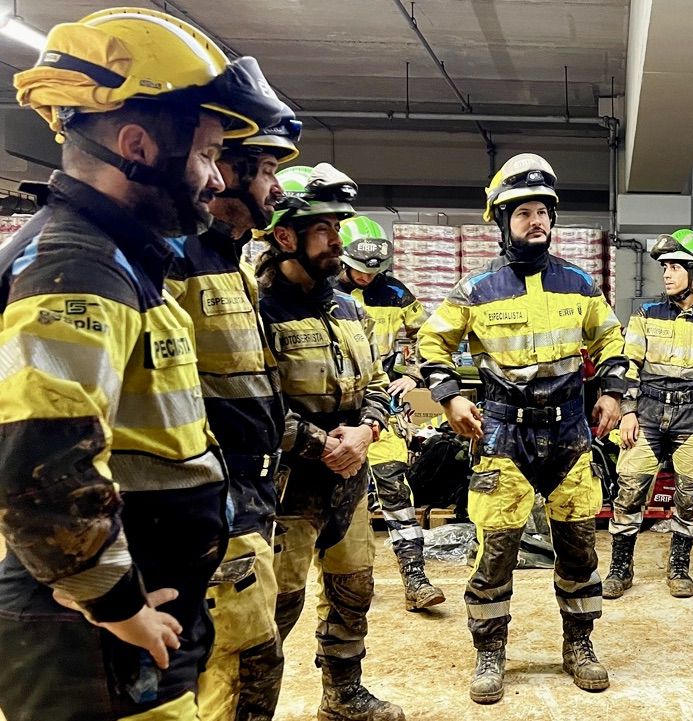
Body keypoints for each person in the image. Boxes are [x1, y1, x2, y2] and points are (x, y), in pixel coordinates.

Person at [0, 7, 285, 721]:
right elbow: (41, 467)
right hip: (95, 641)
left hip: (129, 621)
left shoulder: (124, 260)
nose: (215, 179)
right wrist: (116, 600)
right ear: (136, 145)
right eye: (206, 154)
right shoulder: (78, 267)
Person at [416, 153, 627, 704]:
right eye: (525, 212)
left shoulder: (580, 284)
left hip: (570, 433)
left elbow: (610, 340)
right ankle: (490, 651)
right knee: (496, 551)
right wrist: (450, 398)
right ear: (502, 219)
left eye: (544, 212)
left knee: (579, 547)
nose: (538, 221)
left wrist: (610, 391)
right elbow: (431, 344)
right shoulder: (477, 287)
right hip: (502, 433)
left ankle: (579, 644)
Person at [257, 164, 403, 721]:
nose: (337, 241)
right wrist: (323, 445)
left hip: (349, 484)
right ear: (285, 235)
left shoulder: (345, 307)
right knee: (271, 612)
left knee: (352, 591)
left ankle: (342, 695)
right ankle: (250, 710)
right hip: (287, 492)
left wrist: (367, 430)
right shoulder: (259, 310)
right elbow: (254, 410)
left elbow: (380, 383)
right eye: (324, 229)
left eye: (337, 228)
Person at [169, 112, 299, 720]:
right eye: (268, 169)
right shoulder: (178, 261)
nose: (277, 187)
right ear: (224, 170)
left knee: (249, 654)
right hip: (210, 501)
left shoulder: (231, 263)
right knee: (233, 662)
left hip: (248, 493)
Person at [604, 229, 693, 599]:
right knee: (629, 490)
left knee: (688, 495)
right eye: (664, 266)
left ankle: (679, 567)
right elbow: (628, 364)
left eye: (676, 266)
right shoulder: (645, 314)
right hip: (647, 414)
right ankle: (620, 568)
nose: (666, 274)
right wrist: (627, 412)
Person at [336, 216, 445, 612]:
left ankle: (415, 578)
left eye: (374, 270)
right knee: (339, 499)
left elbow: (431, 337)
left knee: (395, 487)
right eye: (360, 269)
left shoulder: (397, 292)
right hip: (329, 409)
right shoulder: (319, 291)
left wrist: (413, 377)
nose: (367, 277)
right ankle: (345, 580)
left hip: (378, 401)